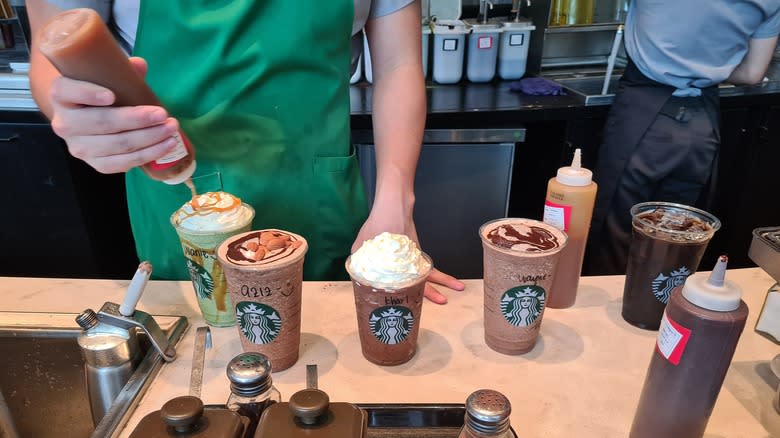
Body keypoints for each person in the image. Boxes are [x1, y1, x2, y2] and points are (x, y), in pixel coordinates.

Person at [26, 0, 465, 303]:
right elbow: (52, 47)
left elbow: (398, 64)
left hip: (320, 197)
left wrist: (396, 202)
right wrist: (75, 112)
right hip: (180, 196)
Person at [586, 0, 780, 275]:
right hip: (703, 126)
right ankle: (659, 315)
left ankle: (605, 316)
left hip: (642, 114)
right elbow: (751, 73)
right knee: (677, 240)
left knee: (616, 234)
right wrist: (706, 72)